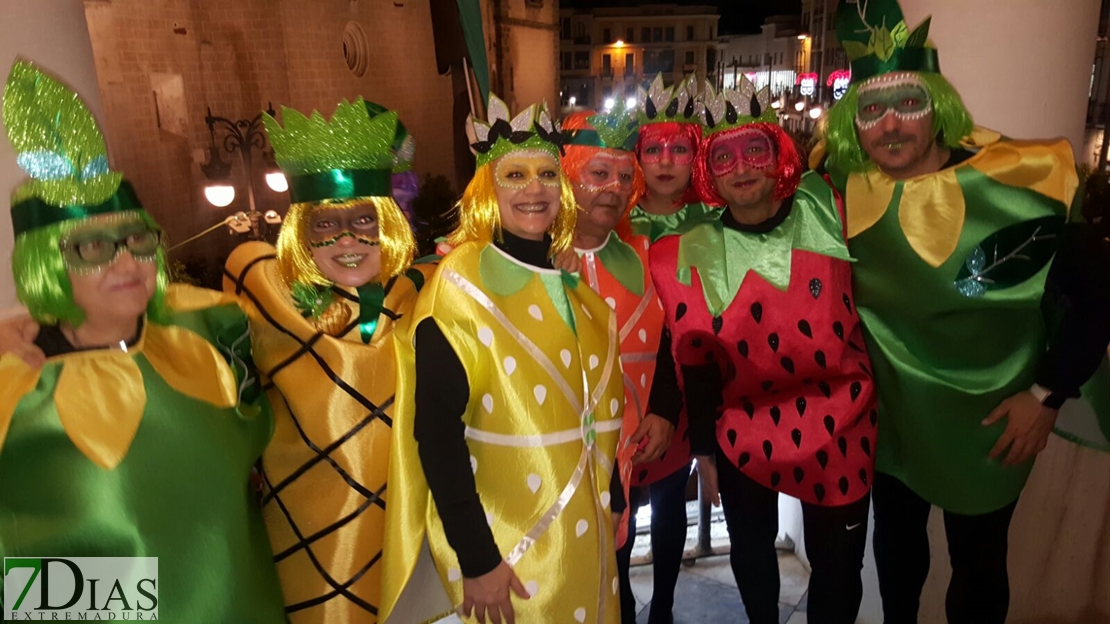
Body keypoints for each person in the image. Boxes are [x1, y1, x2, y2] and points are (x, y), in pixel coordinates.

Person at [816, 2, 1110, 622]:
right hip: (895, 419)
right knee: (895, 555)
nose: (890, 126)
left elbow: (1096, 301)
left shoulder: (1024, 184)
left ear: (940, 109)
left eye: (909, 106)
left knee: (977, 571)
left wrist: (1047, 393)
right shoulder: (847, 188)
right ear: (854, 126)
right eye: (871, 111)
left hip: (993, 420)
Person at [0, 60, 286, 621]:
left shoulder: (206, 332)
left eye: (136, 238)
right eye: (91, 247)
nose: (127, 259)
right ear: (44, 267)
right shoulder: (17, 386)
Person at [381, 95, 627, 624]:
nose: (534, 189)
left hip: (589, 549)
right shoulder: (459, 289)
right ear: (487, 189)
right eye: (515, 174)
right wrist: (478, 561)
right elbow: (438, 436)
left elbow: (587, 402)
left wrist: (616, 495)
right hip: (513, 561)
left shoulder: (570, 288)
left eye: (545, 174)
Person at [648, 80, 877, 624]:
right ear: (709, 172)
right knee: (752, 564)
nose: (742, 166)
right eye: (722, 156)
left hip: (843, 421)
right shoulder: (688, 251)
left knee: (839, 572)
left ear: (779, 154)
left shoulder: (830, 208)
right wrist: (704, 451)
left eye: (755, 149)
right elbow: (695, 361)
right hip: (741, 427)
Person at [223, 98, 440, 623]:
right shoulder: (266, 306)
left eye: (364, 219)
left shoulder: (427, 292)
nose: (348, 238)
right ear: (301, 232)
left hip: (410, 533)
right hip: (306, 535)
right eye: (326, 225)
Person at [559, 109, 683, 624]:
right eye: (599, 173)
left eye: (624, 175)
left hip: (624, 463)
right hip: (550, 466)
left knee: (615, 584)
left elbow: (675, 337)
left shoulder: (645, 254)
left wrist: (665, 411)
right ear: (569, 176)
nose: (614, 188)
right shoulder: (533, 259)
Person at [627, 74, 719, 242]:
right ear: (637, 156)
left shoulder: (717, 219)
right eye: (653, 149)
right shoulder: (615, 220)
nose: (665, 162)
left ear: (696, 157)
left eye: (679, 149)